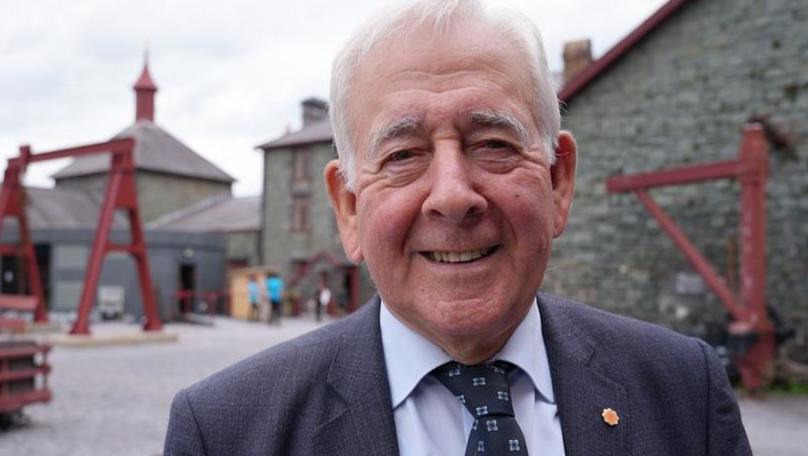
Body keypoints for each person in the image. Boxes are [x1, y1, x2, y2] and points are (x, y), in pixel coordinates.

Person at [164, 1, 751, 454]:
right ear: (349, 208)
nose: (452, 196)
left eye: (493, 144)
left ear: (557, 182)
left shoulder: (684, 391)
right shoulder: (225, 431)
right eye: (403, 155)